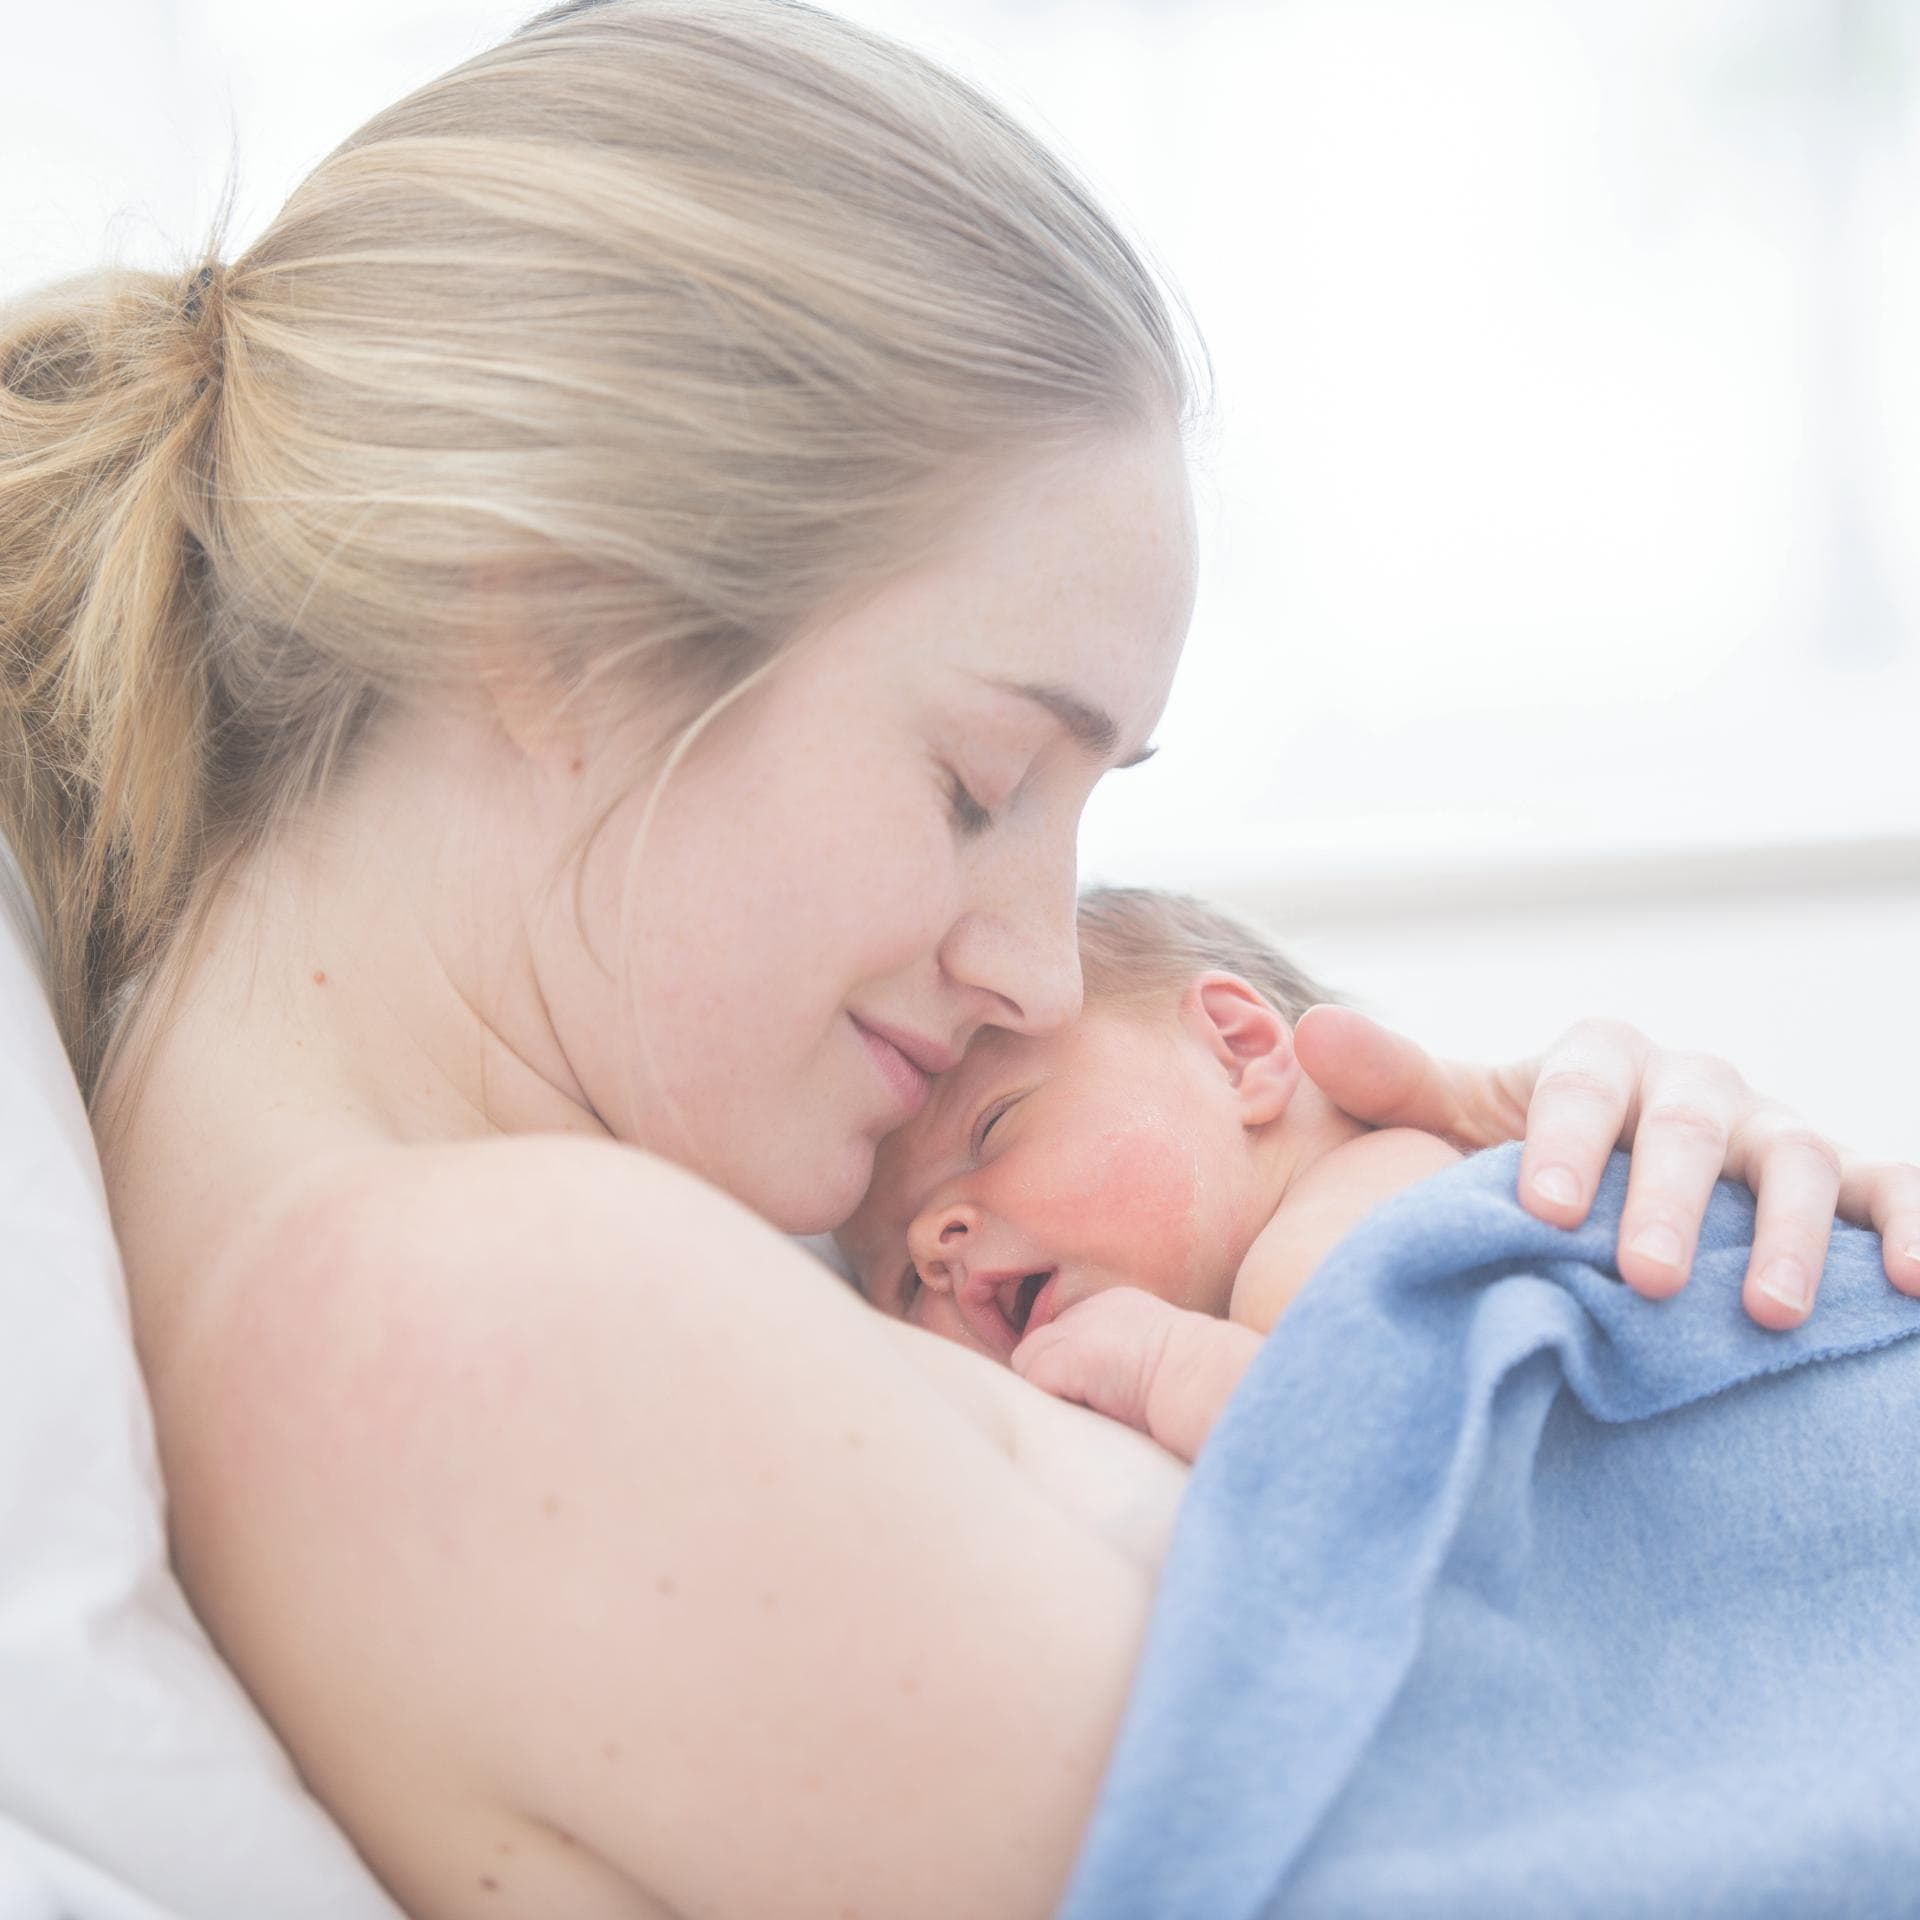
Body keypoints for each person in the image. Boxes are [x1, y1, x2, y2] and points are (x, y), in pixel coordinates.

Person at [2, 3, 1915, 1916]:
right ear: (572, 633)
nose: (1046, 975)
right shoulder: (475, 1339)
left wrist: (1552, 1259)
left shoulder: (549, 1230)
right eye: (983, 779)